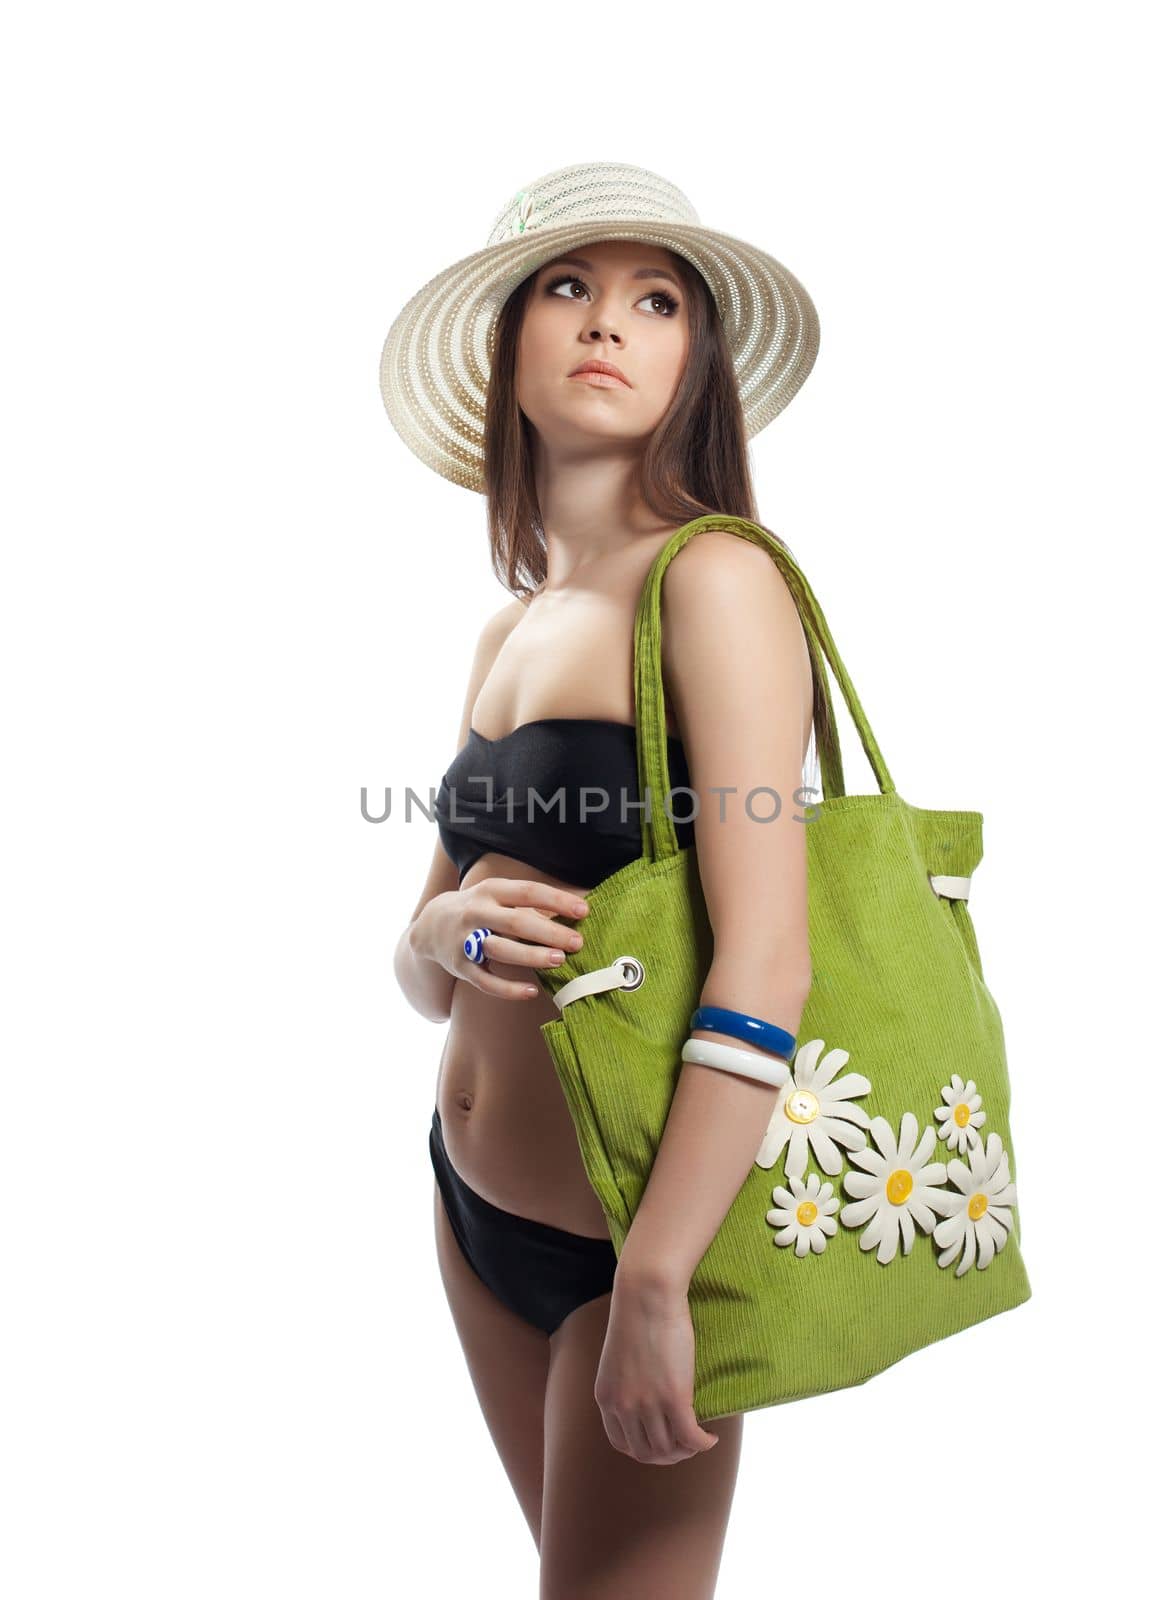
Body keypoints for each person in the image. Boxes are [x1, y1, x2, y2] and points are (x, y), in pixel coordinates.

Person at [385, 163, 823, 1598]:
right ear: (508, 344)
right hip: (473, 1208)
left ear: (695, 361)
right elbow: (411, 967)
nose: (607, 323)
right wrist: (446, 924)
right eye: (568, 288)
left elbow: (768, 956)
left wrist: (657, 1280)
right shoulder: (512, 625)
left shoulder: (714, 581)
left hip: (639, 1236)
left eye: (656, 299)